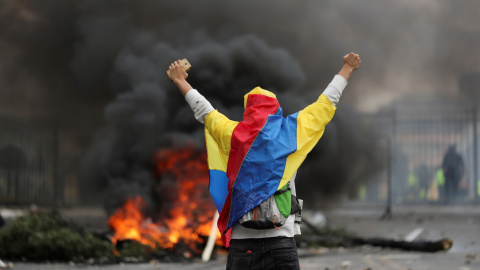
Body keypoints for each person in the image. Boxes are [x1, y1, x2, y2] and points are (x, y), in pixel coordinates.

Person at [168, 52, 361, 270]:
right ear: (276, 110)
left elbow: (204, 110)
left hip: (243, 248)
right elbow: (326, 102)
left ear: (247, 111)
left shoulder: (232, 134)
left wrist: (180, 81)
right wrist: (346, 69)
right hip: (282, 245)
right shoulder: (291, 132)